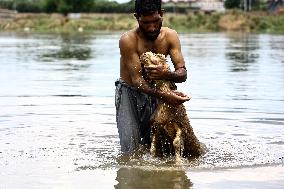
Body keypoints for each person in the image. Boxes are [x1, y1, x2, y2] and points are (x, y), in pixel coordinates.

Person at [115, 0, 189, 153]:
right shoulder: (128, 40)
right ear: (137, 17)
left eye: (156, 21)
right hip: (130, 93)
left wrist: (166, 74)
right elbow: (137, 81)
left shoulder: (170, 36)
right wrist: (165, 95)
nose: (151, 27)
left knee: (161, 147)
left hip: (157, 90)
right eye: (146, 23)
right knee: (130, 149)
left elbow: (182, 73)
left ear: (161, 14)